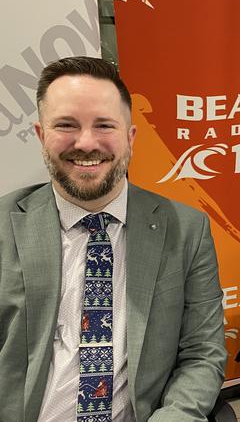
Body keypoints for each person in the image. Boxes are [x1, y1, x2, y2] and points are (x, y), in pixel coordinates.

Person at [0, 56, 227, 421]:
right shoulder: (4, 225)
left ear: (130, 137)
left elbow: (202, 354)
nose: (86, 142)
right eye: (66, 125)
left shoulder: (186, 229)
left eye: (104, 125)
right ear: (41, 135)